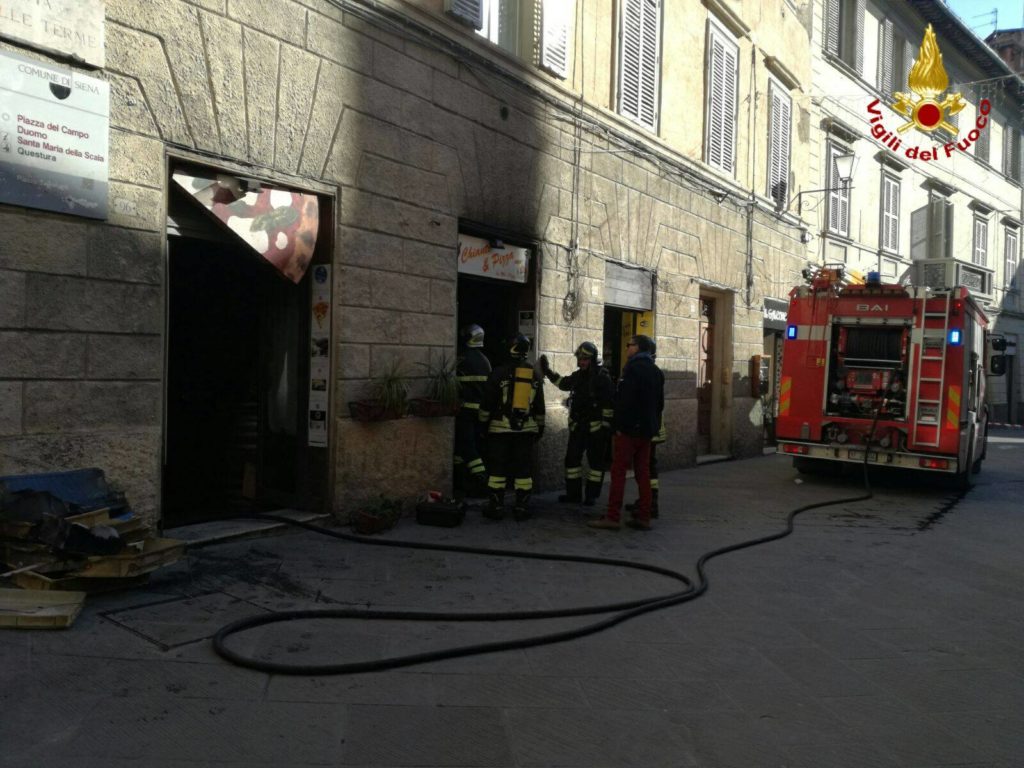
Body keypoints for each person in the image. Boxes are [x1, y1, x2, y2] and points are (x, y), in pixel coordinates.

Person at [588, 334, 664, 531]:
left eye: (630, 345)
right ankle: (644, 516)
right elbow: (659, 404)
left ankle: (612, 517)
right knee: (643, 473)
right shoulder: (656, 371)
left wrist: (618, 426)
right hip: (647, 431)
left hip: (629, 430)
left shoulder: (632, 369)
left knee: (618, 471)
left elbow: (624, 401)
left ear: (638, 348)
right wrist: (651, 426)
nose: (627, 348)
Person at [538, 342, 615, 506]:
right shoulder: (578, 376)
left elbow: (609, 405)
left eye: (585, 359)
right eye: (579, 359)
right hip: (578, 428)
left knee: (595, 466)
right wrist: (548, 371)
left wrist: (605, 428)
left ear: (592, 359)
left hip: (596, 430)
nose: (581, 362)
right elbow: (563, 383)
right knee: (571, 462)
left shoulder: (603, 378)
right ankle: (573, 494)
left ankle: (591, 496)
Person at [479, 334, 545, 521]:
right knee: (523, 470)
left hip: (499, 431)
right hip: (526, 431)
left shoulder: (498, 373)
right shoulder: (534, 374)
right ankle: (521, 508)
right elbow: (539, 406)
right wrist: (539, 428)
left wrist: (482, 426)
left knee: (497, 469)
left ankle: (496, 507)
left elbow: (487, 403)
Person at [627, 338, 665, 518]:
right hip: (653, 426)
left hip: (647, 428)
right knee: (648, 466)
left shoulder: (645, 371)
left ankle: (650, 503)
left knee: (647, 466)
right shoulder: (655, 372)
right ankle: (648, 502)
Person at [453, 324, 491, 496]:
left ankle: (482, 479)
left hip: (465, 411)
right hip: (480, 412)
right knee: (464, 447)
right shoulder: (485, 361)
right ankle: (461, 481)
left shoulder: (461, 359)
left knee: (467, 446)